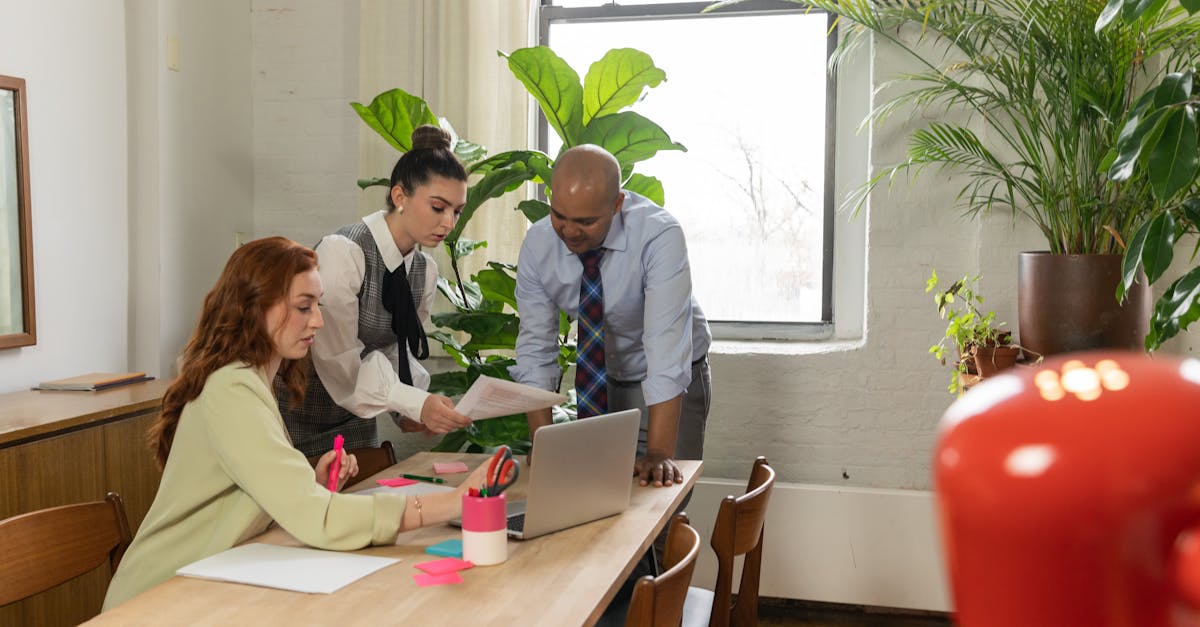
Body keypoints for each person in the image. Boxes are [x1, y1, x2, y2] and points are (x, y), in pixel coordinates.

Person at [102, 237, 490, 611]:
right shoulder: (232, 389)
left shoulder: (249, 380)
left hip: (205, 582)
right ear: (255, 308)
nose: (319, 321)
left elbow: (245, 499)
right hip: (156, 598)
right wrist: (451, 503)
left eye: (318, 305)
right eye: (304, 307)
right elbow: (317, 519)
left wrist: (309, 485)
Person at [510, 144, 712, 488]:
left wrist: (659, 454)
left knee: (661, 496)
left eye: (586, 222)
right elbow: (535, 349)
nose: (570, 232)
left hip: (672, 379)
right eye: (560, 216)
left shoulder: (658, 236)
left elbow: (666, 351)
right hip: (604, 380)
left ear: (617, 204)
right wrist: (542, 443)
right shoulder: (538, 245)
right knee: (599, 492)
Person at [279, 125, 473, 457]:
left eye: (457, 211)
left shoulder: (424, 271)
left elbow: (396, 350)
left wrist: (412, 409)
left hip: (356, 423)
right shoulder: (344, 252)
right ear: (400, 197)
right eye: (438, 207)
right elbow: (337, 359)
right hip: (298, 418)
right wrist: (414, 403)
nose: (449, 223)